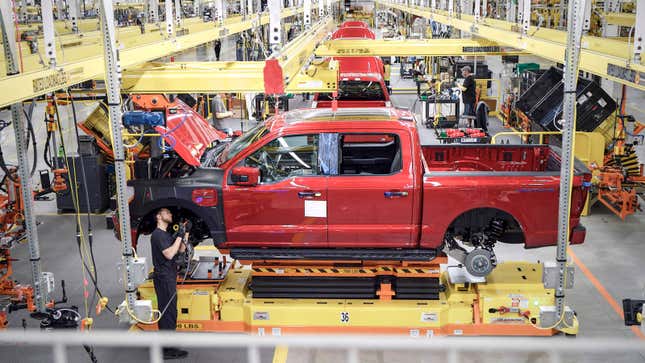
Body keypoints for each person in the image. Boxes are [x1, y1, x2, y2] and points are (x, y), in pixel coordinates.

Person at [151, 208, 188, 360]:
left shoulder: (165, 235)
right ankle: (166, 349)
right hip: (164, 278)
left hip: (169, 276)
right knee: (167, 313)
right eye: (167, 212)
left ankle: (169, 344)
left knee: (171, 312)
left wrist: (185, 233)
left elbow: (180, 250)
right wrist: (179, 235)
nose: (170, 214)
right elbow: (169, 254)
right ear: (159, 216)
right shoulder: (157, 235)